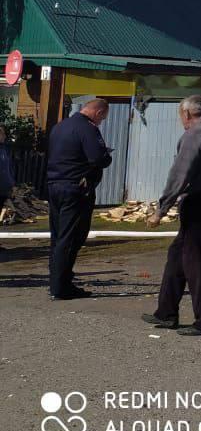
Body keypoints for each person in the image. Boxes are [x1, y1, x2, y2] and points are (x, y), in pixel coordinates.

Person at [143, 95, 201, 335]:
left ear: (185, 114)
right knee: (177, 255)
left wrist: (161, 210)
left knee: (198, 260)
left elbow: (180, 174)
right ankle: (166, 312)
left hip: (200, 199)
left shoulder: (194, 134)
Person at [45, 98, 112, 300]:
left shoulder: (60, 127)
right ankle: (61, 286)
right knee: (71, 236)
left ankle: (56, 281)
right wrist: (107, 156)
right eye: (102, 118)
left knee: (57, 236)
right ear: (98, 112)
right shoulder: (88, 129)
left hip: (54, 185)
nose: (101, 122)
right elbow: (97, 158)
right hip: (76, 188)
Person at [0, 125, 13, 251]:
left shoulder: (4, 149)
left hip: (3, 187)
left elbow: (7, 168)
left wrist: (11, 183)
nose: (4, 136)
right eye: (2, 134)